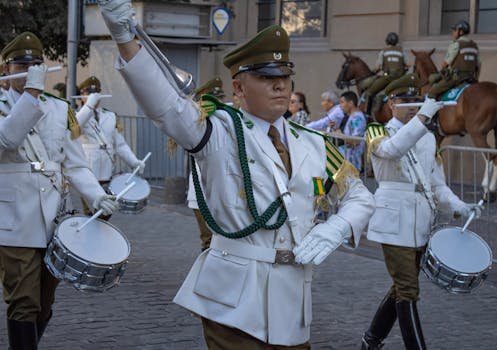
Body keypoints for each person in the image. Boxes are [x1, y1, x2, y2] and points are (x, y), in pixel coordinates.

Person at [98, 2, 375, 348]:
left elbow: (360, 197)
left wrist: (338, 227)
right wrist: (125, 38)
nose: (279, 86)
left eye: (284, 77)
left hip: (291, 304)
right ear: (240, 89)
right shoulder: (221, 132)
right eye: (265, 77)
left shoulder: (315, 144)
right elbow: (167, 108)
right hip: (231, 302)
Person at [0, 32, 118, 349]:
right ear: (6, 70)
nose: (29, 68)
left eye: (36, 64)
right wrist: (32, 94)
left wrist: (95, 195)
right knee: (23, 299)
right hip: (12, 220)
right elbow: (6, 140)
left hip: (53, 218)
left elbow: (76, 165)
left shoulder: (58, 109)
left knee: (44, 300)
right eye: (21, 64)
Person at [361, 78, 483, 350]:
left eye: (416, 101)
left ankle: (371, 340)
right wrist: (425, 115)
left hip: (420, 222)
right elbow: (392, 150)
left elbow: (437, 184)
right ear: (391, 103)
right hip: (393, 222)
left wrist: (459, 206)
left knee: (401, 289)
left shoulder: (428, 138)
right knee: (408, 290)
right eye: (405, 102)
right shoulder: (376, 130)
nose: (413, 107)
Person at [75, 75, 145, 218]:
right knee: (91, 213)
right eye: (88, 92)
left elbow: (120, 145)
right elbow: (75, 126)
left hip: (106, 171)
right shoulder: (78, 115)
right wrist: (88, 107)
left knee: (106, 213)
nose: (93, 96)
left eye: (96, 93)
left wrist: (134, 161)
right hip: (88, 172)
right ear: (81, 94)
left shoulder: (110, 116)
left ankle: (99, 238)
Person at [186, 76, 226, 251]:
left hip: (226, 189)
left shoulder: (229, 118)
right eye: (210, 99)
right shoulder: (194, 122)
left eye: (219, 99)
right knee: (208, 241)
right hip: (201, 189)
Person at [427, 20, 481, 99]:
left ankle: (430, 111)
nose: (453, 32)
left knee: (433, 91)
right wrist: (476, 78)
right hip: (470, 78)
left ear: (461, 32)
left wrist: (442, 72)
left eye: (455, 30)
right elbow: (479, 64)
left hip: (456, 78)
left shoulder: (456, 44)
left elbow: (446, 63)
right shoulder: (474, 45)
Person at [359, 32, 409, 115]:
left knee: (370, 92)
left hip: (387, 78)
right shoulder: (401, 51)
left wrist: (373, 72)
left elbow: (378, 67)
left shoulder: (384, 51)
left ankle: (367, 114)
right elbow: (407, 65)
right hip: (400, 79)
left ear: (387, 41)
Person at [337, 91, 366, 172]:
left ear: (350, 103)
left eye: (342, 102)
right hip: (347, 163)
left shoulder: (357, 118)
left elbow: (355, 141)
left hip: (352, 164)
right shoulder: (353, 116)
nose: (340, 105)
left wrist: (339, 134)